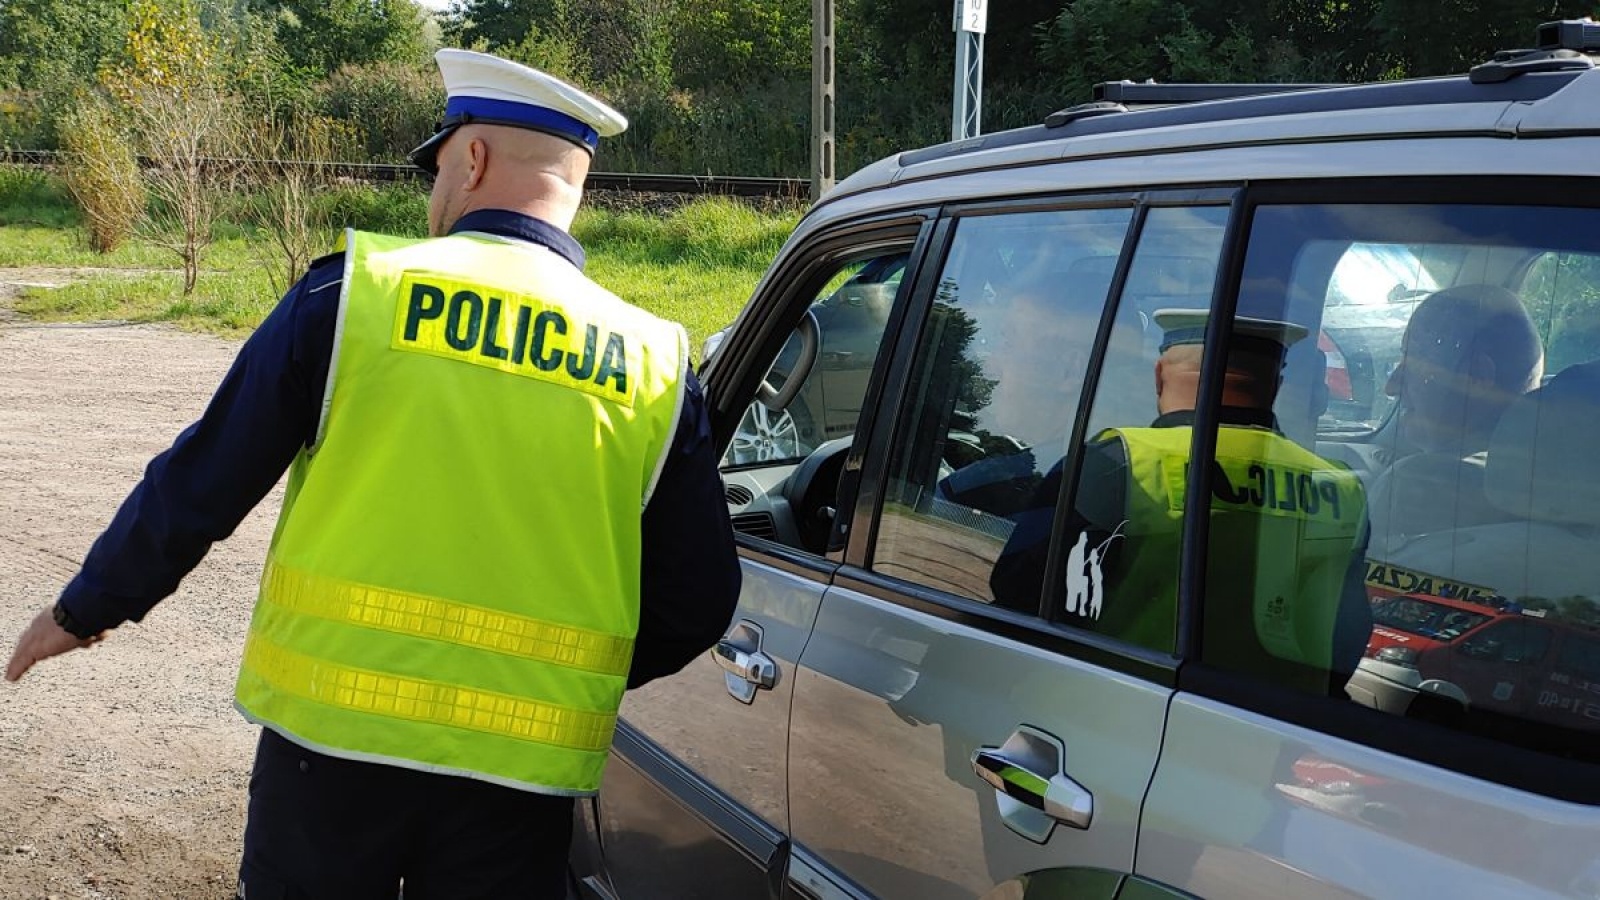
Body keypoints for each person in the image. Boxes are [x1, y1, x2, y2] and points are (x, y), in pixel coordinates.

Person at [4, 49, 741, 899]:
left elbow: (202, 482)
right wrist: (559, 676)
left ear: (471, 160)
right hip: (520, 778)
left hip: (330, 754)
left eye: (436, 168)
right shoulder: (653, 359)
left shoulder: (356, 296)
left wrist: (86, 607)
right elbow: (700, 597)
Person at [991, 308, 1371, 692]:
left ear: (1159, 375)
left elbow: (1019, 596)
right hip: (1282, 732)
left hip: (1125, 711)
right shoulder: (1340, 486)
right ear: (1275, 384)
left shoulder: (1116, 461)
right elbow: (1350, 635)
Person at [1366, 283, 1544, 549]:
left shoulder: (1416, 487)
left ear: (1475, 376)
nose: (1391, 386)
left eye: (1413, 363)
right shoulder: (1558, 498)